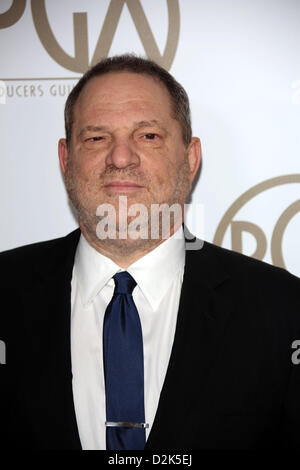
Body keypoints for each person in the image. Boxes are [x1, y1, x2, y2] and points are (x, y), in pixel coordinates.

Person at [0, 54, 300, 450]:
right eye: (96, 137)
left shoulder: (283, 309)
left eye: (148, 136)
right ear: (65, 159)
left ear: (190, 159)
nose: (121, 158)